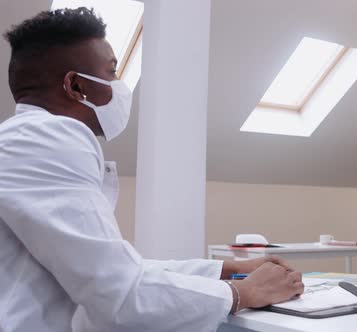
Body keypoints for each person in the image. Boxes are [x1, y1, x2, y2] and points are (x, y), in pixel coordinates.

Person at [0, 8, 303, 332]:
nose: (119, 87)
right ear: (75, 86)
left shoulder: (25, 140)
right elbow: (120, 295)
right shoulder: (46, 139)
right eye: (111, 72)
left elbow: (118, 268)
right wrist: (242, 292)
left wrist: (227, 269)